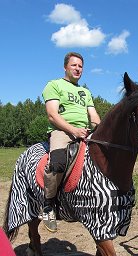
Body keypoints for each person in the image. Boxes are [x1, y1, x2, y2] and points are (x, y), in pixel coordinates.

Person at [42, 52, 101, 233]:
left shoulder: (85, 92)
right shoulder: (54, 85)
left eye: (80, 66)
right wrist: (73, 130)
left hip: (85, 133)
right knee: (58, 163)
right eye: (74, 65)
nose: (77, 69)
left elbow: (93, 116)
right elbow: (52, 115)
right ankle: (48, 205)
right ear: (65, 67)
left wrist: (100, 129)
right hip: (62, 131)